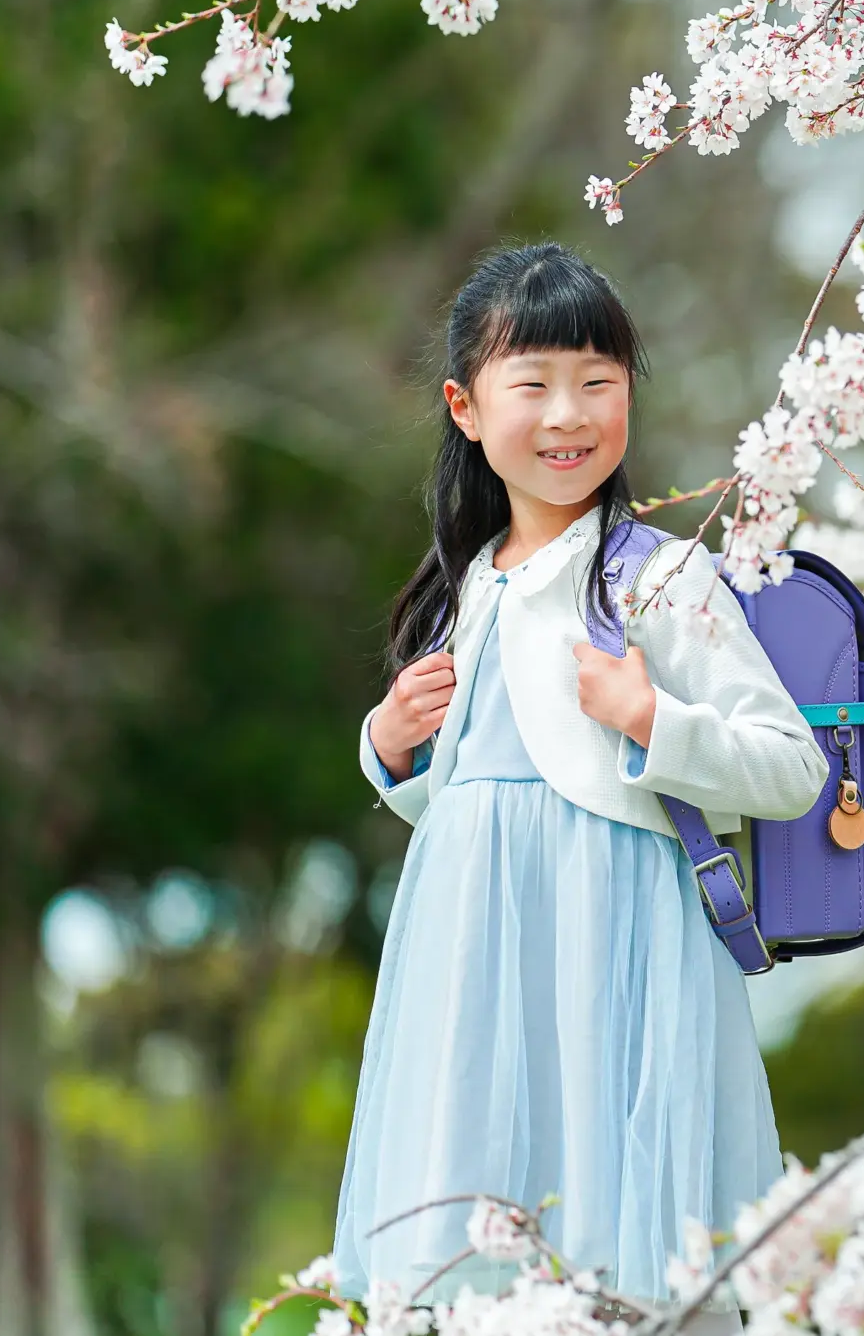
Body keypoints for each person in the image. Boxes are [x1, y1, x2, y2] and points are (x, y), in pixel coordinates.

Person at [331, 243, 828, 1322]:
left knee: (619, 1221)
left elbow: (793, 769)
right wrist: (389, 745)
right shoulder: (463, 589)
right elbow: (475, 795)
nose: (569, 415)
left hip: (620, 937)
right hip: (472, 946)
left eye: (598, 383)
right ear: (466, 408)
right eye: (535, 384)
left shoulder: (661, 577)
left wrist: (656, 720)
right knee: (471, 1205)